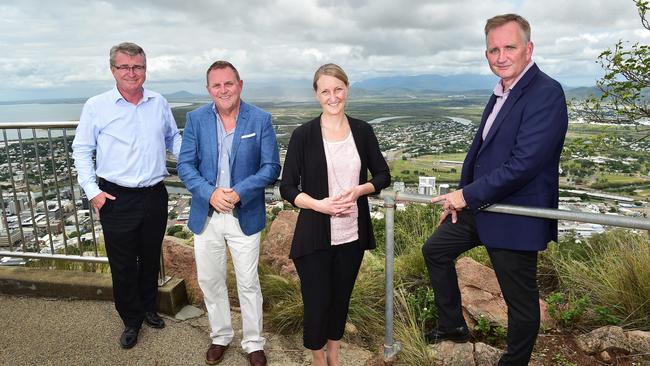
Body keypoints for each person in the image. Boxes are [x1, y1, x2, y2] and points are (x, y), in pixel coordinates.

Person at [421, 14, 568, 365]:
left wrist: (466, 196)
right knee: (435, 250)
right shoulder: (502, 90)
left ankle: (514, 361)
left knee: (520, 300)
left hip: (516, 214)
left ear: (529, 49)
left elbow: (524, 164)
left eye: (509, 47)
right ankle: (453, 325)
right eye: (493, 50)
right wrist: (462, 199)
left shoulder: (546, 92)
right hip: (482, 207)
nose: (501, 56)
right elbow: (481, 153)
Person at [72, 42, 182, 349]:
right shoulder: (97, 106)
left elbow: (173, 139)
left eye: (138, 67)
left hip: (154, 195)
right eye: (125, 67)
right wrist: (93, 192)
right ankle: (130, 319)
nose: (132, 73)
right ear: (113, 70)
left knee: (149, 258)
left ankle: (148, 307)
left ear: (145, 69)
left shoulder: (159, 102)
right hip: (116, 197)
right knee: (122, 264)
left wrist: (197, 159)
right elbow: (81, 150)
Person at [280, 63, 391, 366]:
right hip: (314, 236)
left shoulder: (363, 131)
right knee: (317, 304)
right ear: (317, 95)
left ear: (347, 89)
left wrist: (359, 190)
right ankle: (318, 358)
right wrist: (320, 204)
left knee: (340, 300)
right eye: (325, 91)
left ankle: (334, 353)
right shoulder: (303, 135)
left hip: (352, 236)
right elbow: (287, 187)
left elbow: (383, 175)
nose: (333, 96)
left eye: (338, 89)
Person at [177, 60, 280, 366]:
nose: (223, 90)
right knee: (210, 280)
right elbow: (185, 165)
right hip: (206, 213)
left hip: (243, 212)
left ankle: (253, 342)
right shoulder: (196, 119)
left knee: (248, 282)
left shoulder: (260, 119)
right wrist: (210, 192)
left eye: (228, 83)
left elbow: (270, 167)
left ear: (240, 85)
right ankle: (220, 336)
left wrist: (238, 192)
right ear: (209, 89)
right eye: (216, 85)